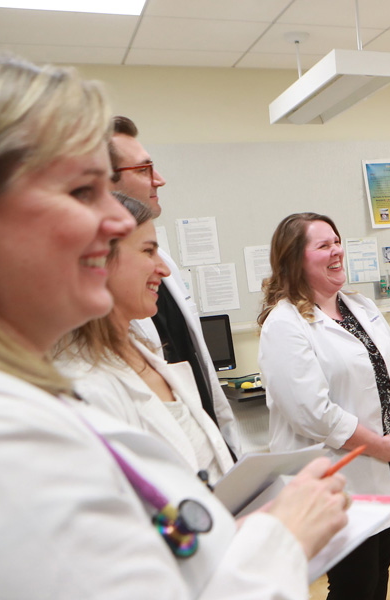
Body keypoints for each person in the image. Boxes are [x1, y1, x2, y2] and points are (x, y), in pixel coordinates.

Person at [0, 43, 347, 598]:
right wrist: (282, 538)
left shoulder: (26, 402)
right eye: (83, 191)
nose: (118, 218)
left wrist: (228, 537)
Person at [258, 212, 390, 600]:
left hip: (389, 471)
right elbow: (313, 412)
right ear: (294, 260)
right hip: (342, 477)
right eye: (323, 245)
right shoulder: (284, 324)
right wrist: (377, 445)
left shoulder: (360, 306)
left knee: (379, 573)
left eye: (337, 241)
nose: (337, 251)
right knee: (355, 586)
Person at [55, 193, 233, 483]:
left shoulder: (144, 351)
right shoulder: (83, 384)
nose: (163, 269)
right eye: (148, 251)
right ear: (97, 259)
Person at [109, 115, 239, 456]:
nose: (159, 180)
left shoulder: (164, 263)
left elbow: (195, 362)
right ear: (99, 183)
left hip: (208, 439)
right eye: (143, 169)